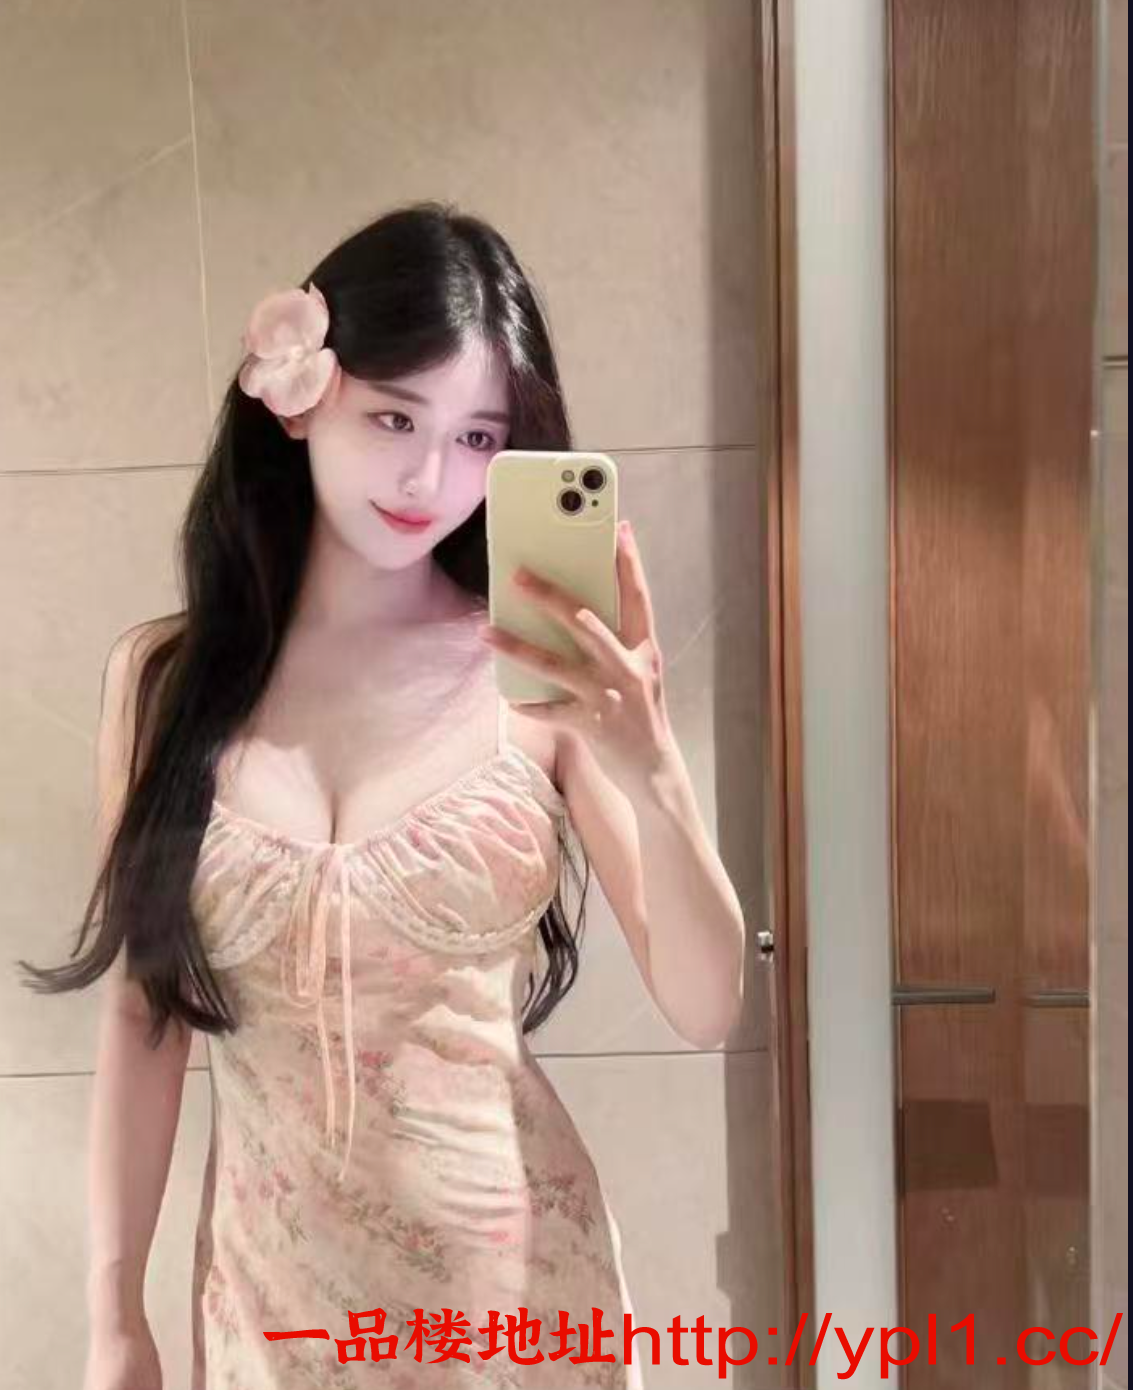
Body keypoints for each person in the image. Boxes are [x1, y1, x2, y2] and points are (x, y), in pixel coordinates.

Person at [19, 201, 747, 1389]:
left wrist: (654, 769)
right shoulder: (164, 685)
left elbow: (706, 1003)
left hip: (518, 1304)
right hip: (271, 1309)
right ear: (298, 400)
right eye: (394, 417)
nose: (426, 476)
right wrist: (114, 1316)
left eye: (476, 437)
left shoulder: (538, 681)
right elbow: (145, 1015)